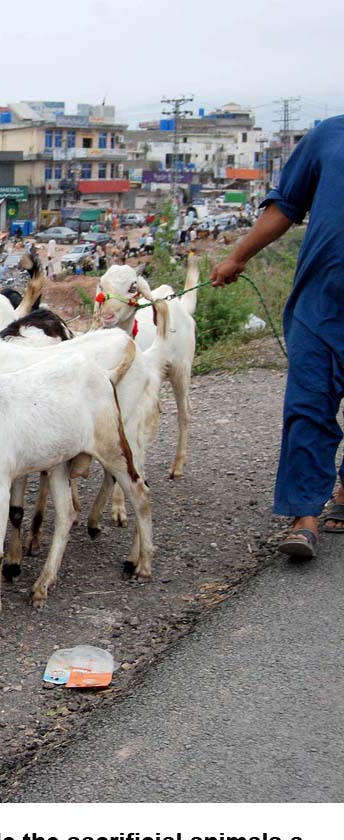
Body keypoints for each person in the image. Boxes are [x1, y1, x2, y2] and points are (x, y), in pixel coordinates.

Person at [211, 115, 344, 558]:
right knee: (308, 404)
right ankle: (304, 515)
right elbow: (286, 205)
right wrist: (238, 256)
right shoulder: (328, 135)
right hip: (321, 300)